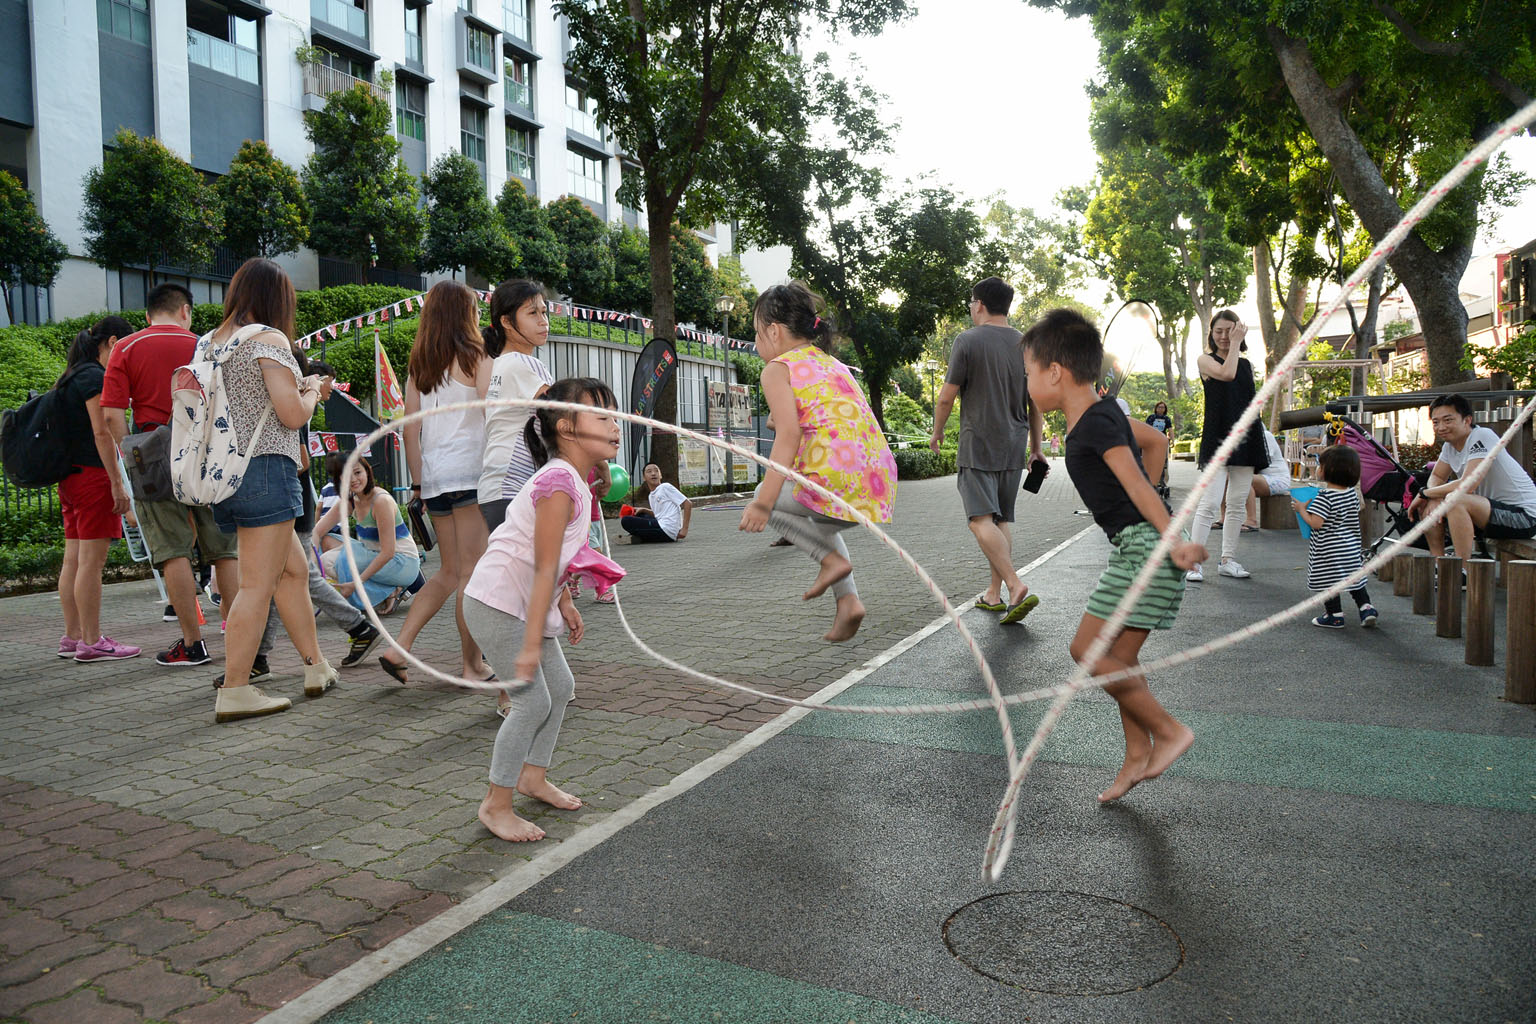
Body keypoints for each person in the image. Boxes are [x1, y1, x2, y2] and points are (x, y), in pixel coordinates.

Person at [1020, 309, 1201, 802]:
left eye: (1028, 372)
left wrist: (1171, 536)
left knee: (1088, 651)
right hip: (1140, 545)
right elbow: (1156, 441)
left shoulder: (1098, 420)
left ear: (1055, 371)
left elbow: (1138, 485)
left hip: (1146, 546)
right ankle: (1135, 753)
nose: (1028, 383)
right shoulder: (1100, 417)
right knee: (1118, 659)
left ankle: (1167, 731)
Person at [464, 377, 619, 842]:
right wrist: (532, 643)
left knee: (562, 686)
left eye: (614, 416)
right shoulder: (558, 484)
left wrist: (566, 602)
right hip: (498, 603)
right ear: (567, 428)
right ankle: (496, 803)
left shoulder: (574, 479)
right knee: (533, 701)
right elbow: (542, 567)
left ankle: (532, 777)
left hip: (520, 602)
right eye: (604, 417)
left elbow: (554, 560)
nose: (616, 426)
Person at [202, 258, 338, 722]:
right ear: (277, 299)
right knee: (258, 584)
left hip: (226, 475)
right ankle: (236, 687)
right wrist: (315, 391)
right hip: (265, 471)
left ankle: (316, 666)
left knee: (292, 572)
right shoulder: (269, 339)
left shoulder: (211, 343)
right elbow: (292, 415)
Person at [739, 282, 896, 643]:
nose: (756, 342)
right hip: (876, 484)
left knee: (767, 493)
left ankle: (831, 563)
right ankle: (849, 602)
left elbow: (788, 436)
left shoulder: (777, 368)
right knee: (813, 518)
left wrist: (763, 505)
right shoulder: (833, 364)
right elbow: (825, 421)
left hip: (837, 481)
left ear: (774, 331)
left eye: (756, 333)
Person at [101, 283, 239, 667]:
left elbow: (111, 414)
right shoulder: (205, 345)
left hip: (153, 453)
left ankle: (193, 645)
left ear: (148, 315)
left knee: (172, 550)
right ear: (185, 311)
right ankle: (243, 639)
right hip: (205, 451)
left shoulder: (125, 348)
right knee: (224, 550)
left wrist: (133, 452)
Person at [381, 282, 494, 685]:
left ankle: (398, 648)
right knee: (471, 575)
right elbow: (491, 415)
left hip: (434, 480)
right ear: (466, 314)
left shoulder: (420, 365)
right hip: (471, 475)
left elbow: (409, 431)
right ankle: (472, 665)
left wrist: (417, 485)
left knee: (448, 572)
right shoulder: (477, 356)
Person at [930, 276, 1047, 623]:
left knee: (979, 521)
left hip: (977, 442)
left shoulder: (967, 340)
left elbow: (947, 396)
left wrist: (937, 433)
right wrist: (1036, 449)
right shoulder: (1028, 344)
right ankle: (994, 595)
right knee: (1000, 519)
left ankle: (1014, 584)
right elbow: (1035, 403)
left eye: (971, 302)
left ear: (979, 304)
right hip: (1013, 443)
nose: (970, 307)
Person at [54, 316, 141, 662]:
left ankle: (73, 636)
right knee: (92, 562)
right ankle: (92, 641)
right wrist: (117, 483)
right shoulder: (94, 377)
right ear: (113, 342)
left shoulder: (71, 375)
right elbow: (102, 429)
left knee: (73, 558)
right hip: (92, 476)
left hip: (70, 477)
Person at [1186, 310, 1268, 582]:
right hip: (1218, 438)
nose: (1223, 336)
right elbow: (1226, 373)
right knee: (1209, 503)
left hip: (1245, 438)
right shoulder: (1205, 360)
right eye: (1219, 331)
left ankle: (1227, 560)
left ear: (1239, 331)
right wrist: (1235, 343)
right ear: (1211, 333)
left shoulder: (1246, 364)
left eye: (1230, 331)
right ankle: (1194, 564)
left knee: (1236, 503)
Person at [1410, 393, 1536, 556]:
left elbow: (1468, 484)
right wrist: (1432, 497)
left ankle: (1463, 570)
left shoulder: (1482, 436)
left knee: (1455, 500)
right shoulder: (1450, 446)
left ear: (1467, 420)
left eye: (1448, 420)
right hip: (1488, 513)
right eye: (1436, 422)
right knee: (1432, 503)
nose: (1441, 427)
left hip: (1524, 517)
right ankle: (1439, 564)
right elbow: (1437, 477)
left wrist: (1424, 493)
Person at [480, 279, 554, 530]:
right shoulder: (523, 363)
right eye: (532, 313)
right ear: (507, 321)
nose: (543, 321)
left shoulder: (500, 364)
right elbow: (563, 418)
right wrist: (599, 462)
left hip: (497, 489)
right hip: (515, 487)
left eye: (544, 312)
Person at [314, 456, 422, 615]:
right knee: (324, 551)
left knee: (337, 560)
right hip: (372, 553)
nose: (353, 480)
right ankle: (387, 591)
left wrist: (357, 583)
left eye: (357, 472)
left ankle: (389, 590)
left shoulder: (380, 501)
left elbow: (388, 553)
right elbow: (317, 532)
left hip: (402, 562)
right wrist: (311, 567)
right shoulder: (351, 500)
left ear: (368, 472)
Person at [1294, 445, 1378, 629]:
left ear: (1327, 471)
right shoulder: (1351, 494)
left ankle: (1334, 615)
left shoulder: (1324, 497)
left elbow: (1316, 523)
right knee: (1354, 579)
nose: (1317, 468)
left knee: (1328, 581)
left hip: (1328, 550)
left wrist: (1302, 510)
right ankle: (1366, 608)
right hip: (1350, 548)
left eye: (1319, 465)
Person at [620, 464, 691, 543]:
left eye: (656, 471)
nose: (653, 473)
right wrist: (644, 510)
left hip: (667, 529)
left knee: (626, 520)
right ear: (644, 478)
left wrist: (684, 530)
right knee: (640, 515)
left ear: (660, 475)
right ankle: (642, 537)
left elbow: (687, 503)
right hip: (661, 525)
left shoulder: (665, 487)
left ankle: (641, 537)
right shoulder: (651, 495)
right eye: (649, 471)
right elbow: (658, 515)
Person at [1242, 427, 1292, 530]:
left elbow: (1261, 461)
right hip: (1263, 478)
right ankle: (1224, 518)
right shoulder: (1246, 439)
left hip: (1278, 479)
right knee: (1230, 477)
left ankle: (1252, 521)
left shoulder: (1266, 436)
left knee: (1244, 479)